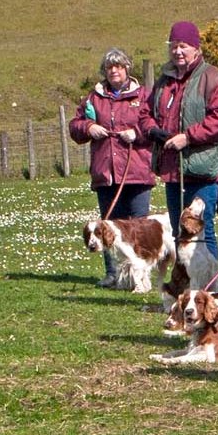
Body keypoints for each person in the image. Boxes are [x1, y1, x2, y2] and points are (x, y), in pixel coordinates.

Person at [139, 20, 218, 261]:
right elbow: (145, 114)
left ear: (196, 48)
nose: (178, 51)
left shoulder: (213, 78)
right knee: (178, 230)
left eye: (183, 46)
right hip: (173, 170)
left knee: (202, 230)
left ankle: (209, 280)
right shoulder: (164, 81)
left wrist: (188, 137)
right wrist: (154, 131)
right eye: (173, 46)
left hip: (203, 169)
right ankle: (185, 279)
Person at [69, 48, 155, 286]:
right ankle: (113, 273)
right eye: (109, 67)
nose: (114, 71)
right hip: (106, 173)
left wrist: (136, 134)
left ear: (127, 68)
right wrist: (88, 127)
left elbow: (154, 125)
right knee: (107, 225)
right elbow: (75, 125)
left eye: (118, 66)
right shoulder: (93, 98)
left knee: (139, 226)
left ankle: (141, 273)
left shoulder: (143, 95)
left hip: (137, 171)